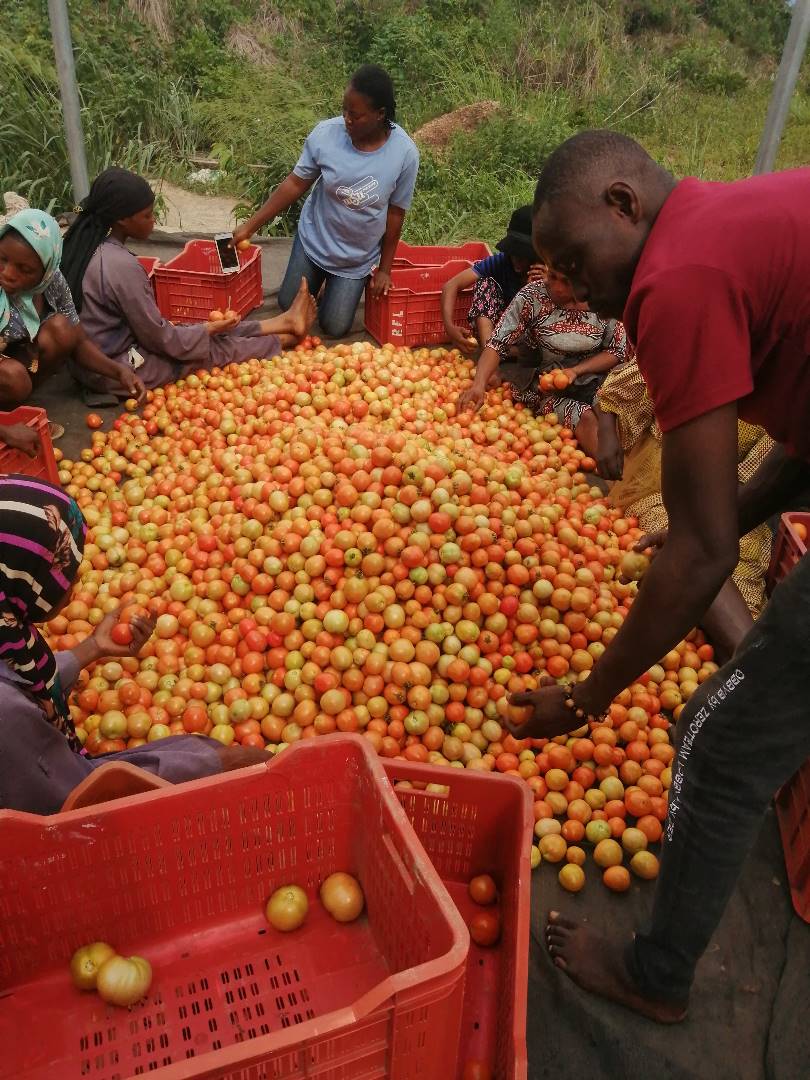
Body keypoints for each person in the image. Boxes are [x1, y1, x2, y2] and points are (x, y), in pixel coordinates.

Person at [505, 128, 810, 1024]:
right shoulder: (730, 223)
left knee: (715, 747)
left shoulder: (675, 280)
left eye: (570, 260)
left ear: (624, 204)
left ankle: (658, 975)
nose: (569, 285)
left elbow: (704, 558)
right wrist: (714, 527)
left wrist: (589, 697)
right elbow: (799, 444)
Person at [0, 474, 272, 815]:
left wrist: (93, 647)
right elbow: (79, 802)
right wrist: (216, 765)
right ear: (23, 576)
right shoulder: (7, 716)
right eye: (63, 568)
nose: (74, 582)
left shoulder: (8, 628)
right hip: (65, 824)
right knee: (215, 758)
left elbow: (20, 675)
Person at [60, 169, 315, 398]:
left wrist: (203, 329)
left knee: (193, 331)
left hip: (91, 362)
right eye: (147, 215)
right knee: (212, 350)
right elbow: (160, 339)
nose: (154, 221)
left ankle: (282, 322)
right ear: (123, 220)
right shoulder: (120, 266)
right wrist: (207, 331)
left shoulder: (79, 242)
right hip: (118, 369)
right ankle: (282, 340)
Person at [594, 357, 774, 660]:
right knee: (685, 544)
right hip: (660, 481)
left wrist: (713, 524)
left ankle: (748, 652)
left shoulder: (778, 392)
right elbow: (615, 394)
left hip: (729, 496)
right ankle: (748, 657)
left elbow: (757, 477)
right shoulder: (700, 345)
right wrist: (607, 433)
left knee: (737, 562)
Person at [232, 64, 420, 338]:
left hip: (356, 257)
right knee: (287, 305)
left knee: (334, 326)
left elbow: (395, 214)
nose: (346, 119)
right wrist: (250, 226)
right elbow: (295, 183)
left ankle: (331, 285)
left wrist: (385, 270)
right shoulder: (326, 135)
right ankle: (317, 280)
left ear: (380, 115)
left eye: (355, 115)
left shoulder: (404, 154)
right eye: (344, 110)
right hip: (315, 241)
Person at [457, 266, 628, 456]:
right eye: (552, 275)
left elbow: (617, 351)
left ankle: (624, 465)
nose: (554, 285)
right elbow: (497, 343)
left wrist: (576, 371)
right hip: (541, 386)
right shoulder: (533, 296)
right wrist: (478, 384)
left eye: (564, 281)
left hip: (593, 378)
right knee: (584, 416)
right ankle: (611, 470)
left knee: (607, 412)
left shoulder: (603, 298)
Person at [0, 209, 144, 408]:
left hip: (18, 359)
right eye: (2, 259)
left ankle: (20, 397)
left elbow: (78, 340)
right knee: (14, 379)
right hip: (7, 369)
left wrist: (119, 371)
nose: (8, 273)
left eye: (25, 270)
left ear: (46, 270)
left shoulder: (52, 281)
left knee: (62, 328)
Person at [441, 205, 542, 354]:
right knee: (485, 283)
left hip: (534, 338)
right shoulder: (501, 262)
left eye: (523, 256)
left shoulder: (549, 269)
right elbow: (451, 285)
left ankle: (516, 353)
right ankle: (491, 350)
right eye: (514, 253)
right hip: (503, 333)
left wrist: (550, 282)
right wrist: (449, 327)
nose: (516, 260)